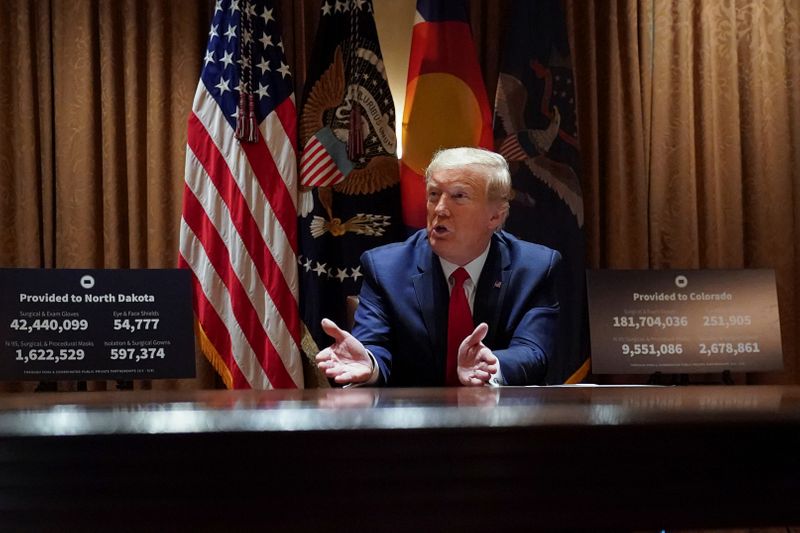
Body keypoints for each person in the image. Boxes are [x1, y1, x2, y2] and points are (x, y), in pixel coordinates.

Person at [315, 147, 561, 386]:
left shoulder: (534, 268)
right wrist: (369, 364)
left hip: (500, 421)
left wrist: (491, 366)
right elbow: (374, 344)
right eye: (434, 195)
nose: (440, 209)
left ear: (495, 216)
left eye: (458, 196)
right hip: (414, 421)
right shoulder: (386, 268)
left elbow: (533, 350)